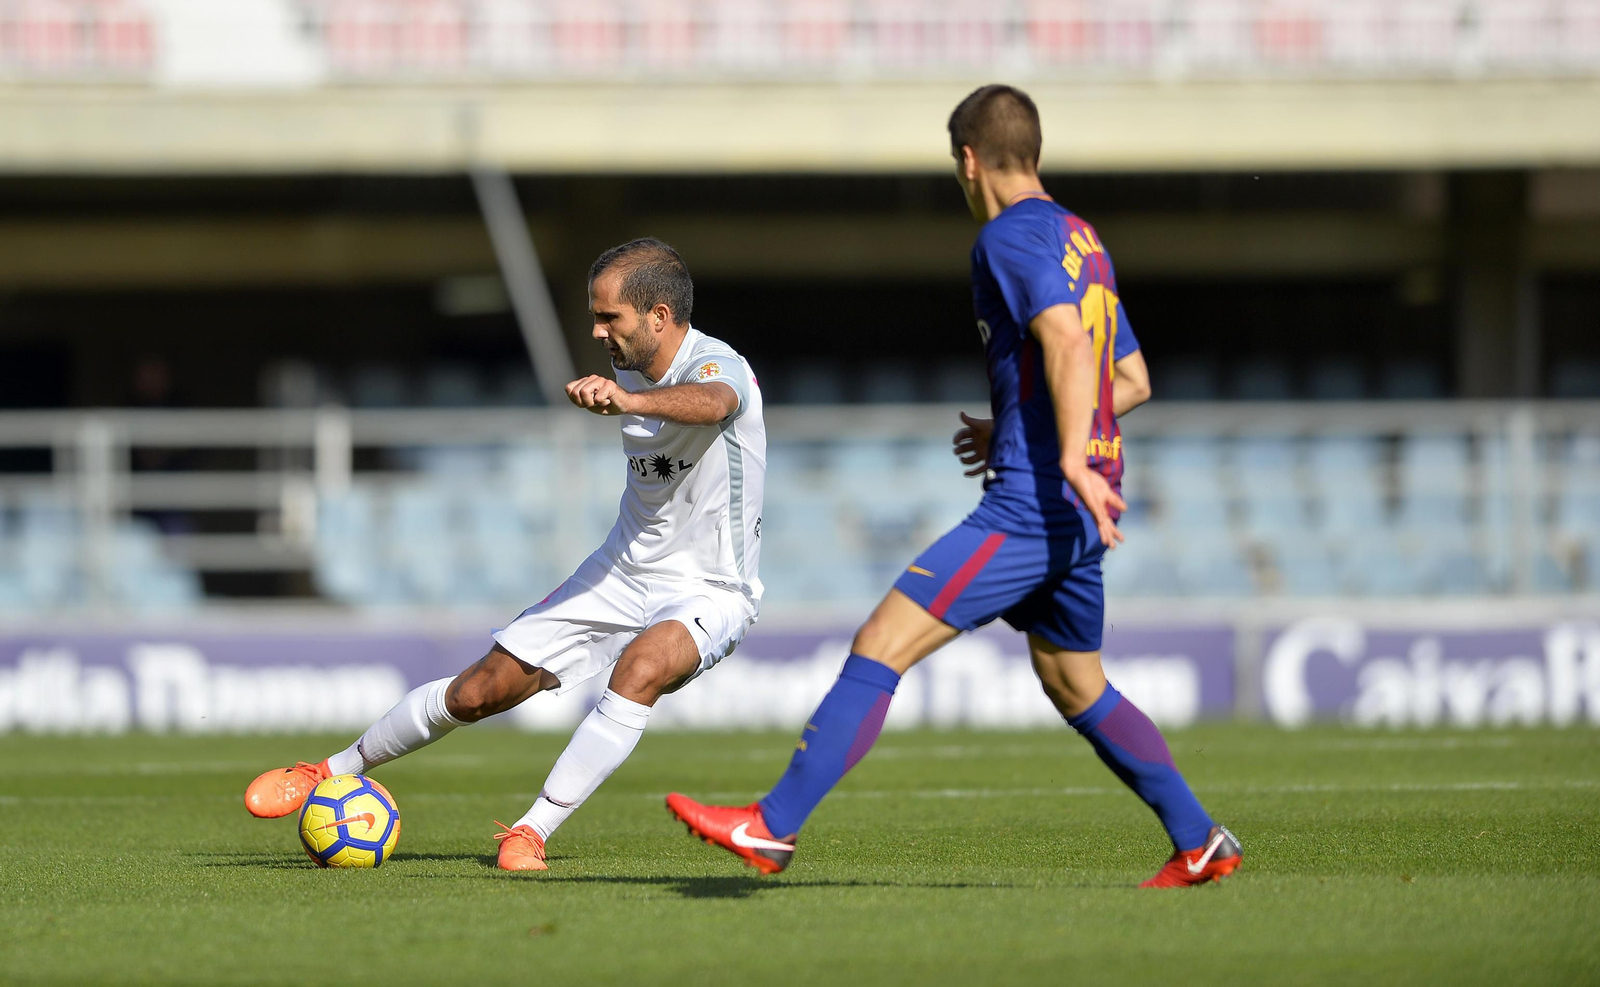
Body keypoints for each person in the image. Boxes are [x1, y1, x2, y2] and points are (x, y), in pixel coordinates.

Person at [665, 85, 1240, 889]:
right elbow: (1131, 377)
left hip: (1038, 499)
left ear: (969, 161)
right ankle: (1198, 838)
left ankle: (772, 825)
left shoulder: (1007, 237)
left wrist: (1065, 454)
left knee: (881, 643)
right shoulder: (1082, 238)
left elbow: (1072, 347)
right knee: (1075, 679)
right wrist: (1025, 428)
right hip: (1076, 496)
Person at [244, 238, 766, 872]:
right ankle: (326, 771)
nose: (597, 330)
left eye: (610, 318)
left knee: (641, 669)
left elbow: (716, 406)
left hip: (712, 587)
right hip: (622, 570)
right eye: (595, 316)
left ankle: (531, 831)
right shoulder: (627, 363)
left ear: (658, 315)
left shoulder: (719, 367)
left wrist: (629, 401)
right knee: (477, 693)